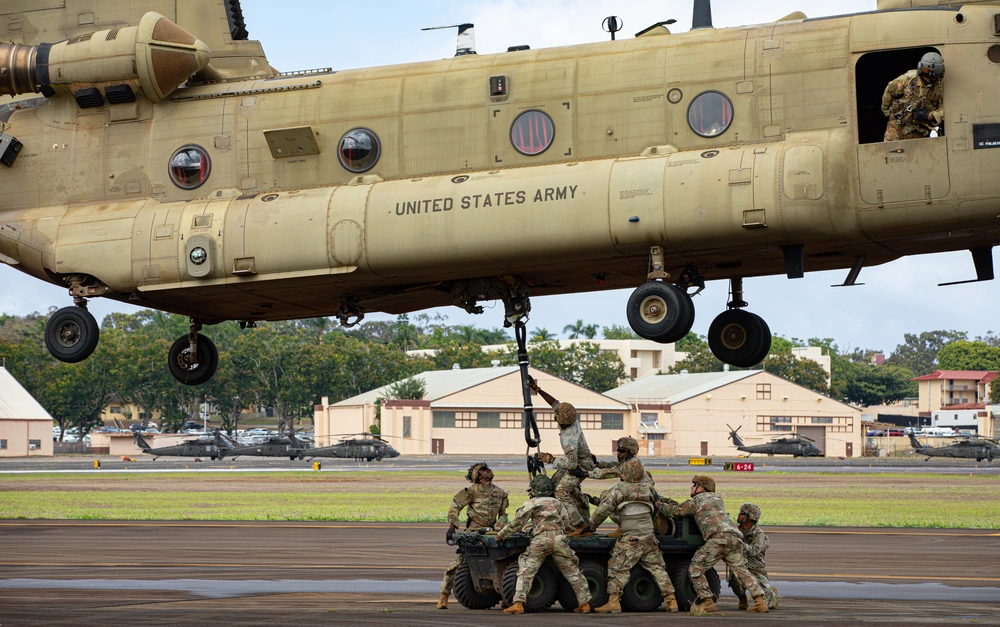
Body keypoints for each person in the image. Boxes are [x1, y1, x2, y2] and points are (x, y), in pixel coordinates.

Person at [656, 475, 768, 615]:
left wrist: (658, 504)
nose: (691, 487)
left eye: (694, 485)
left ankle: (707, 601)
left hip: (718, 538)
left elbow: (673, 511)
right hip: (734, 538)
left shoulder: (696, 501)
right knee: (741, 571)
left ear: (702, 488)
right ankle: (760, 601)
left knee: (696, 567)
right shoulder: (718, 499)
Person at [585, 459, 678, 613]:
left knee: (616, 567)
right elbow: (656, 509)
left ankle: (613, 602)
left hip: (631, 537)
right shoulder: (649, 489)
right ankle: (671, 601)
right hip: (648, 535)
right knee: (657, 568)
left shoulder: (619, 489)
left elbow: (603, 510)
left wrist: (591, 525)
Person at [496, 474, 592, 614]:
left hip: (541, 540)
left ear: (533, 490)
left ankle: (518, 604)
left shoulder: (532, 503)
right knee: (572, 572)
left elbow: (517, 523)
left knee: (526, 571)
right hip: (559, 540)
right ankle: (584, 604)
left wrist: (501, 535)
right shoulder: (558, 503)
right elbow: (566, 523)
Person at [437, 462, 509, 609]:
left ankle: (505, 596)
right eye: (483, 469)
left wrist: (499, 526)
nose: (488, 470)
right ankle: (444, 595)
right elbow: (455, 506)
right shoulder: (471, 491)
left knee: (501, 564)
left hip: (492, 533)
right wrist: (452, 526)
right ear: (477, 475)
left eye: (488, 468)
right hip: (474, 533)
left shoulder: (500, 493)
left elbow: (503, 514)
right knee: (459, 564)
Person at [529, 376, 595, 532]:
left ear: (559, 419)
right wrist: (537, 389)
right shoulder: (571, 418)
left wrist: (551, 460)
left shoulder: (568, 439)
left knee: (561, 492)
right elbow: (554, 403)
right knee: (554, 483)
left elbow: (571, 465)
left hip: (580, 465)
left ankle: (580, 525)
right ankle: (562, 517)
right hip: (578, 461)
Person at [881, 52, 944, 141]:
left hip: (922, 129)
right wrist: (886, 111)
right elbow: (890, 91)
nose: (929, 79)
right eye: (926, 75)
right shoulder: (908, 79)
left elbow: (948, 108)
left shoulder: (941, 86)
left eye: (933, 78)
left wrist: (929, 116)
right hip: (898, 127)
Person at [730, 503, 779, 610]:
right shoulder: (736, 530)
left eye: (742, 513)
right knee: (733, 578)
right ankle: (742, 600)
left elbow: (753, 551)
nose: (738, 515)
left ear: (750, 517)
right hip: (742, 566)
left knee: (767, 604)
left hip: (755, 569)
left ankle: (772, 596)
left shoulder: (758, 535)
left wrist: (738, 543)